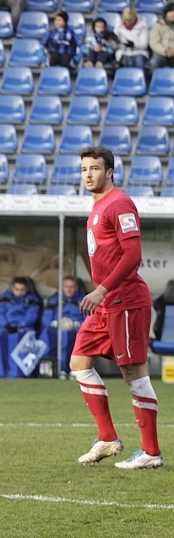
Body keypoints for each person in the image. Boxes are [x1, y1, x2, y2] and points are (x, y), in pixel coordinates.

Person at [70, 147, 163, 470]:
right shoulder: (97, 206)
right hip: (106, 304)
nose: (88, 174)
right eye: (84, 169)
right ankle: (107, 437)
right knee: (79, 362)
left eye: (95, 168)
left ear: (109, 172)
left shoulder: (119, 203)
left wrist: (101, 289)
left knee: (134, 373)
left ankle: (151, 451)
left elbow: (132, 255)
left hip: (125, 302)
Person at [0, 277, 42, 378]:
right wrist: (5, 325)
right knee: (0, 336)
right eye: (17, 289)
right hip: (5, 327)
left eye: (22, 290)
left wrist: (20, 325)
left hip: (25, 328)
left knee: (23, 339)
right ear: (12, 288)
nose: (19, 292)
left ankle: (20, 372)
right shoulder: (3, 298)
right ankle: (2, 371)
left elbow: (32, 315)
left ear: (27, 289)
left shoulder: (33, 299)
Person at [39, 275, 85, 376]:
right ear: (62, 287)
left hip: (76, 329)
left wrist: (77, 323)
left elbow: (89, 318)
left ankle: (69, 368)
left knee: (69, 337)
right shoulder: (55, 300)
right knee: (46, 335)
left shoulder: (83, 300)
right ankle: (51, 369)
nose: (69, 289)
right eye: (66, 286)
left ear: (76, 288)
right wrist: (54, 323)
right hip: (56, 328)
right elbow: (46, 318)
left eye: (71, 287)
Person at [149, 3, 174, 71]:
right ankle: (155, 80)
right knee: (154, 62)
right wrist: (166, 51)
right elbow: (154, 42)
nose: (173, 14)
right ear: (166, 13)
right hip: (161, 53)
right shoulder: (158, 25)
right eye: (170, 11)